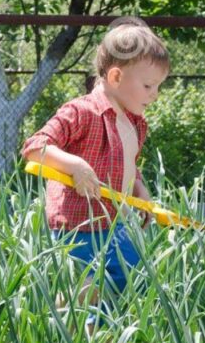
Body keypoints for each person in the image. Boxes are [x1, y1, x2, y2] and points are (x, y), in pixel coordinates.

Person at [21, 17, 170, 327]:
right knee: (87, 291)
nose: (155, 94)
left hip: (114, 223)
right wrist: (74, 165)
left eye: (158, 86)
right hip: (79, 226)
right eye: (148, 85)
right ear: (116, 76)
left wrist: (139, 189)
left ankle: (105, 341)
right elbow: (35, 147)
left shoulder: (135, 123)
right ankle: (72, 342)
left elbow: (129, 164)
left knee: (135, 277)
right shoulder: (81, 111)